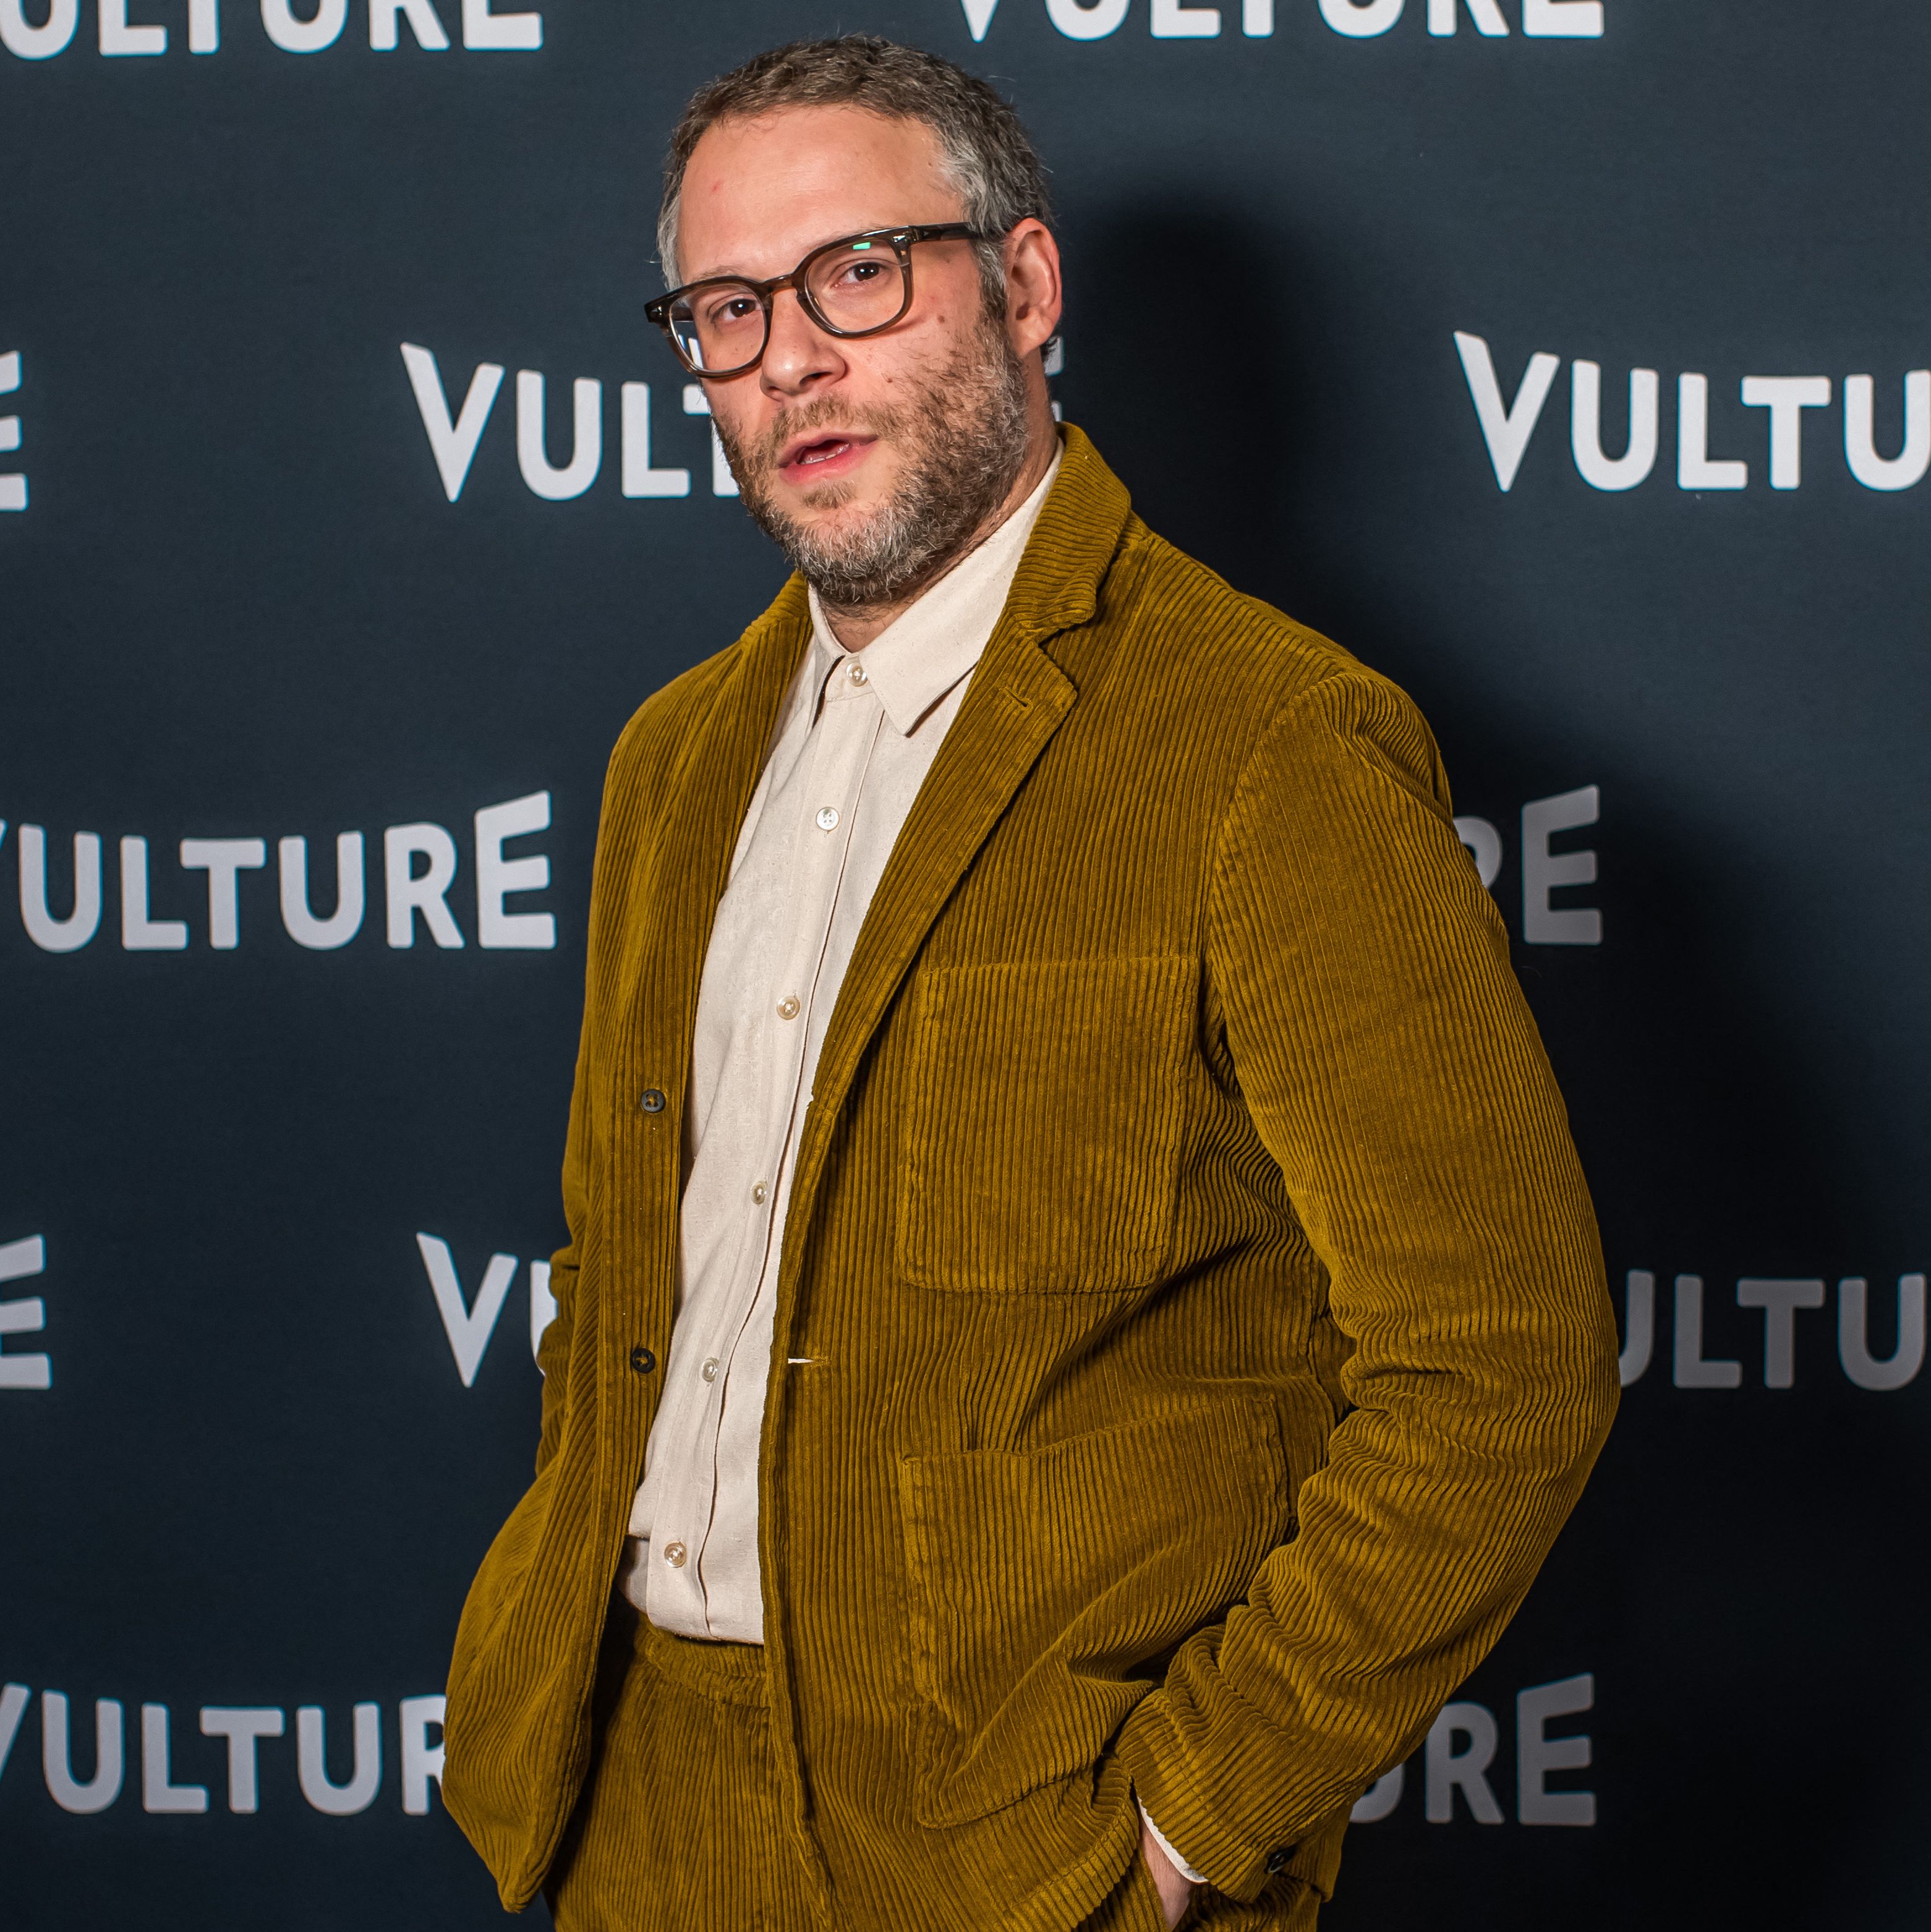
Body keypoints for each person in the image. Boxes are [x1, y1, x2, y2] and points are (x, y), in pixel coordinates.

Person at [445, 35, 1615, 1931]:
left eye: (859, 275)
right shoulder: (672, 763)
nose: (792, 362)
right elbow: (627, 1277)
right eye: (729, 310)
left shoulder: (1268, 744)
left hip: (1022, 1845)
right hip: (634, 1805)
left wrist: (1188, 1822)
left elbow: (1502, 1368)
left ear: (1028, 284)